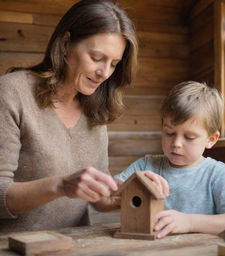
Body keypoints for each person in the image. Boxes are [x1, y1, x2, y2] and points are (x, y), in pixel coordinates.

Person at [0, 0, 162, 233]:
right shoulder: (12, 92)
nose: (104, 73)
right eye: (97, 58)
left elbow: (99, 198)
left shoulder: (95, 111)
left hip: (75, 246)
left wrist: (128, 190)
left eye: (114, 64)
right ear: (65, 44)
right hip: (14, 246)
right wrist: (61, 185)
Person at [115, 81, 225, 239]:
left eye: (189, 137)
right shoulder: (146, 165)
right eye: (170, 133)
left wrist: (189, 222)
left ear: (211, 139)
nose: (176, 144)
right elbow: (111, 194)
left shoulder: (217, 173)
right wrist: (113, 188)